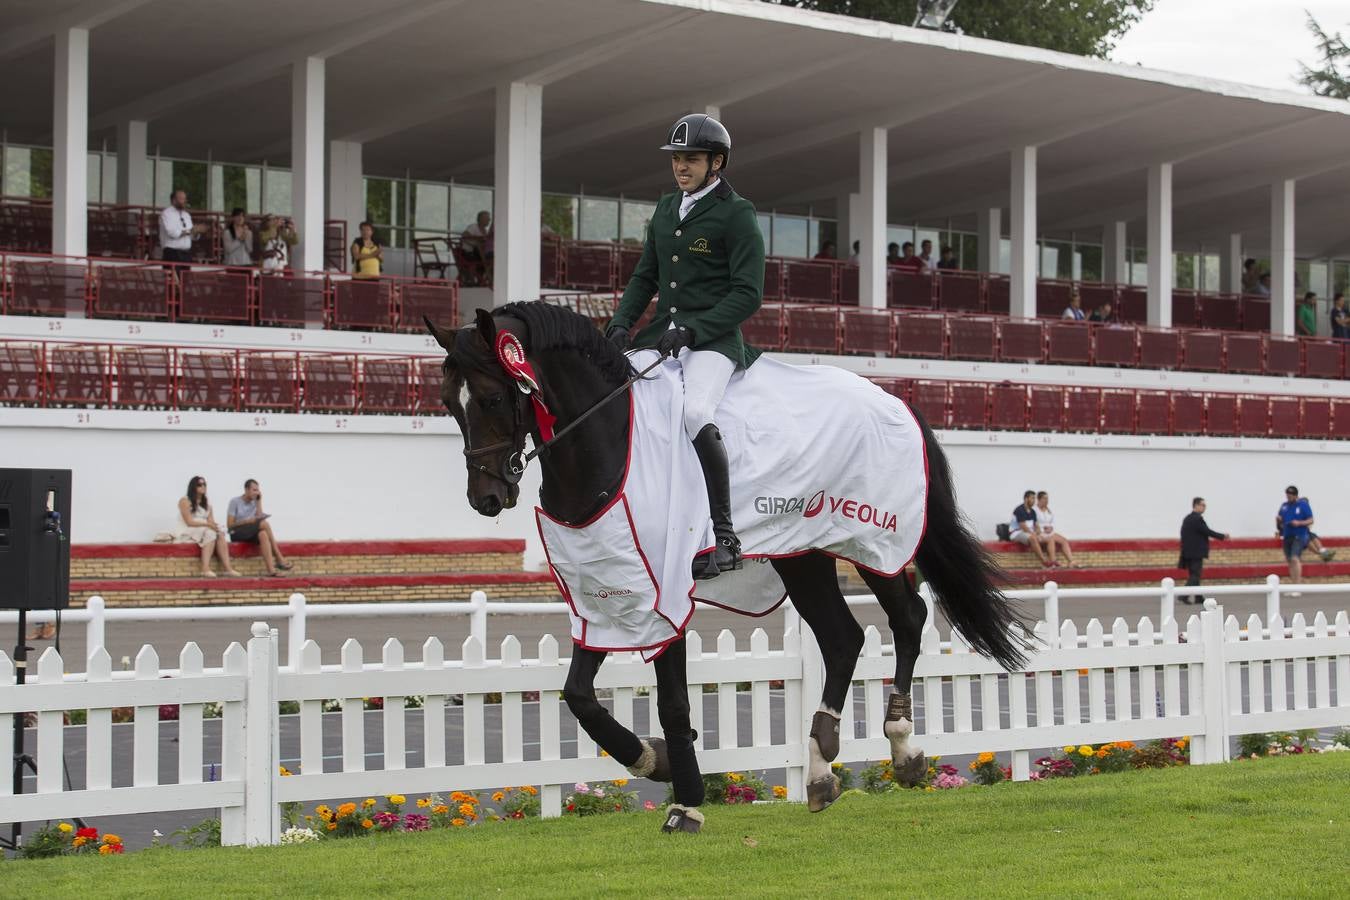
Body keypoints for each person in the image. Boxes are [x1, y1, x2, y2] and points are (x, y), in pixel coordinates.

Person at [605, 113, 764, 580]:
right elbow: (645, 276)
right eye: (677, 158)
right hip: (662, 336)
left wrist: (696, 330)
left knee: (695, 412)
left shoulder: (737, 212)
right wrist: (621, 323)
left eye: (691, 158)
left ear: (717, 162)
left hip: (712, 340)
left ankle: (725, 534)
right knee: (621, 402)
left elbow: (747, 292)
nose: (681, 166)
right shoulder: (666, 206)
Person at [176, 475, 240, 577]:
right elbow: (189, 522)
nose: (203, 486)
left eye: (204, 484)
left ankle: (228, 569)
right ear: (193, 487)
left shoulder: (207, 503)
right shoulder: (185, 500)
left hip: (202, 529)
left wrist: (217, 526)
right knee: (210, 532)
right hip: (188, 530)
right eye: (199, 485)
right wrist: (208, 524)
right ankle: (205, 569)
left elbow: (211, 521)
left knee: (219, 533)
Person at [227, 479, 293, 576]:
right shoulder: (234, 501)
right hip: (237, 532)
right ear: (246, 490)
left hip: (250, 531)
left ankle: (271, 570)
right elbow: (230, 525)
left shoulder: (255, 501)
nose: (256, 492)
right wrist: (246, 521)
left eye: (257, 490)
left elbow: (259, 517)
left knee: (263, 534)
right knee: (264, 524)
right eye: (254, 490)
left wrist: (259, 502)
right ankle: (279, 557)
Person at [1178, 497, 1228, 602]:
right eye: (1203, 505)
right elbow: (1207, 531)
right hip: (1196, 552)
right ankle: (1183, 595)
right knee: (1195, 575)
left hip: (1188, 552)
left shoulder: (1188, 518)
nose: (1204, 508)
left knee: (1194, 575)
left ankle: (1198, 597)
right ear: (1196, 505)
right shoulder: (1197, 519)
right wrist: (1222, 536)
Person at [1275, 485, 1319, 586]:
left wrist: (1299, 523)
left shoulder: (1303, 505)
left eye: (1291, 495)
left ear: (1295, 495)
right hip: (1287, 535)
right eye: (1287, 495)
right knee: (1289, 560)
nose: (1288, 497)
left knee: (1295, 558)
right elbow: (1281, 521)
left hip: (1299, 535)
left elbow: (1311, 520)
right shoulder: (1284, 505)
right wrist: (1279, 521)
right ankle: (1293, 584)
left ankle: (1297, 585)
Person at [158, 189, 206, 267]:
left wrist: (197, 231)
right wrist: (190, 231)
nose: (184, 201)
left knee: (185, 278)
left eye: (185, 199)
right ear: (173, 200)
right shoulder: (166, 213)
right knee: (174, 279)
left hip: (186, 254)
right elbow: (172, 233)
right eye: (181, 199)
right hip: (172, 253)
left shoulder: (186, 215)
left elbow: (192, 237)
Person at [1007, 490, 1050, 567]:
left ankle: (1052, 561)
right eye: (1032, 498)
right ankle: (1044, 562)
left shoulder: (1033, 511)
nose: (1034, 501)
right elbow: (1024, 528)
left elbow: (1036, 526)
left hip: (1029, 533)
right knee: (1033, 538)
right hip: (1016, 533)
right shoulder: (1019, 510)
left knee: (1048, 539)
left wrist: (1039, 533)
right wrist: (1036, 535)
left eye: (1034, 498)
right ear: (1026, 499)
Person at [1034, 491, 1076, 567]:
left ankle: (1071, 561)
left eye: (1047, 499)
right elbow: (1034, 523)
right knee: (1051, 540)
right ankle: (1053, 561)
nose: (1046, 500)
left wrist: (1051, 527)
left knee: (1063, 540)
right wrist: (1042, 529)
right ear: (1039, 499)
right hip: (1040, 533)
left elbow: (1052, 521)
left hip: (1049, 532)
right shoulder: (1034, 510)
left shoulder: (1048, 510)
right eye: (1044, 498)